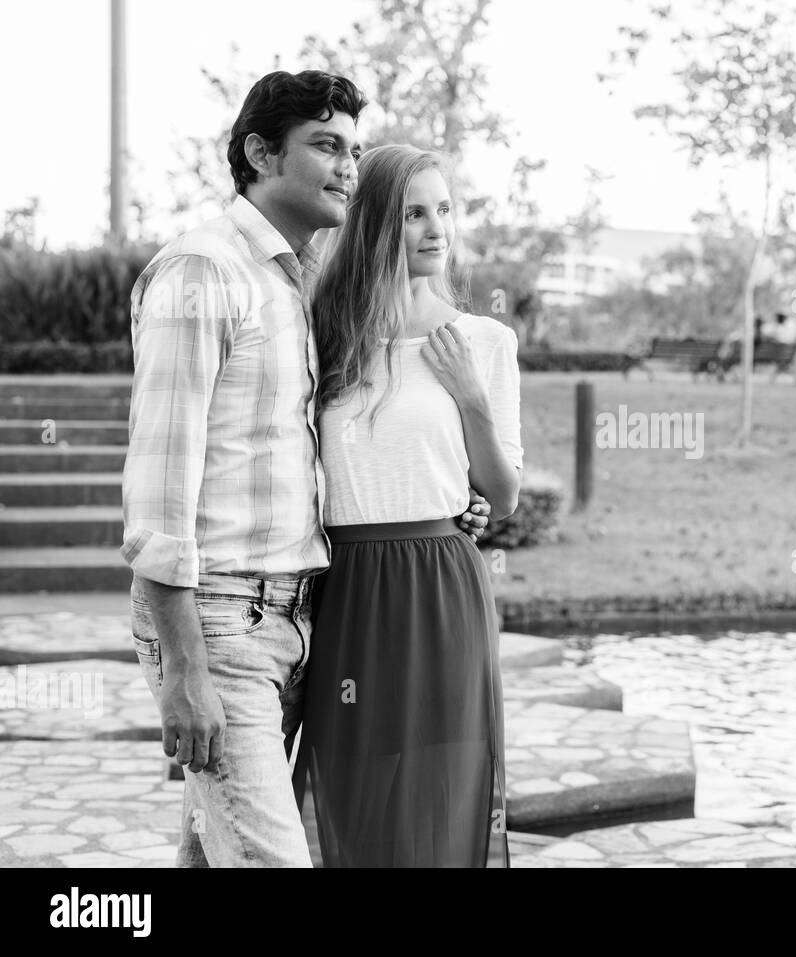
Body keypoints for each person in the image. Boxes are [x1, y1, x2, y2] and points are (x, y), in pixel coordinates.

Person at [121, 70, 491, 868]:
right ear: (259, 153)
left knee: (211, 849)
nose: (349, 167)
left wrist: (446, 501)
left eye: (355, 149)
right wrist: (185, 667)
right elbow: (156, 492)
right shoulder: (203, 274)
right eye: (326, 146)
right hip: (221, 622)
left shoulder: (293, 285)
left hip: (299, 619)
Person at [292, 144, 523, 867]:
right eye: (414, 213)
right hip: (348, 585)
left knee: (440, 785)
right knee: (351, 780)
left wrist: (472, 401)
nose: (436, 229)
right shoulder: (325, 333)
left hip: (441, 583)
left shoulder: (483, 340)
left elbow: (503, 496)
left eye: (444, 210)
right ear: (375, 225)